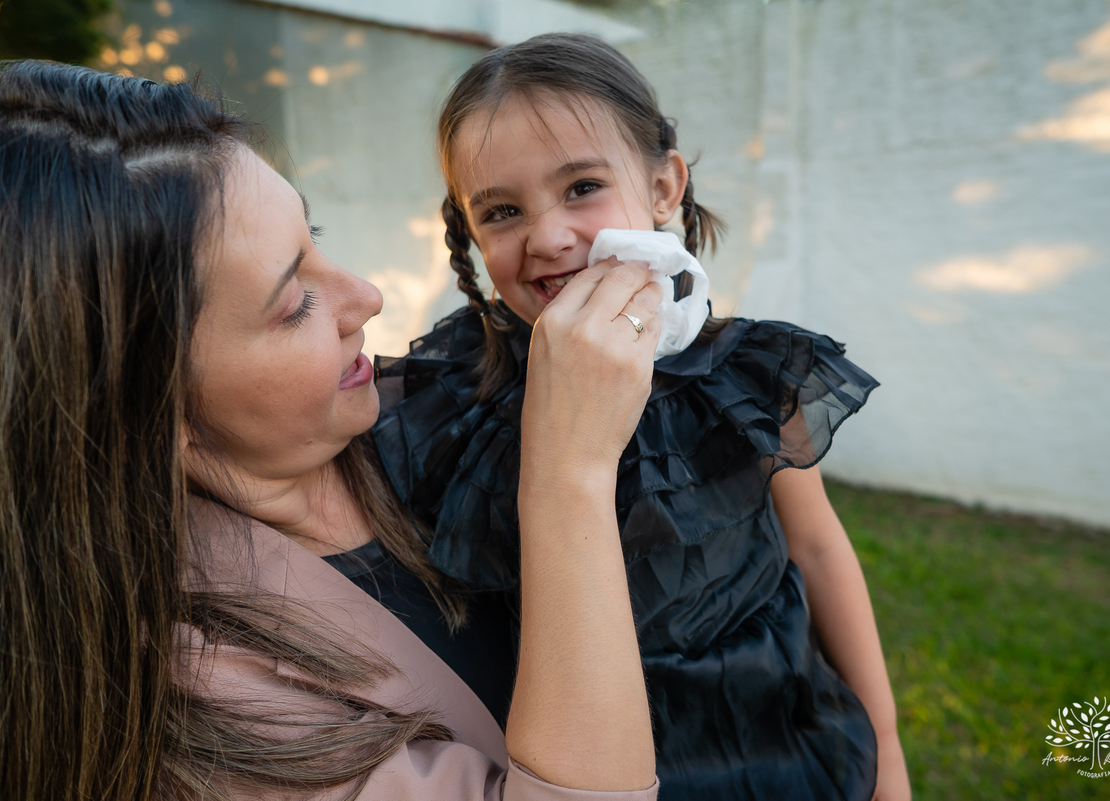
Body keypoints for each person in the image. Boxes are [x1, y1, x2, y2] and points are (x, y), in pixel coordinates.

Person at [0, 60, 665, 801]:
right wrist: (567, 470)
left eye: (313, 236)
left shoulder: (432, 422)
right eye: (292, 304)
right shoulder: (188, 698)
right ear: (151, 417)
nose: (367, 297)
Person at [373, 33, 912, 801]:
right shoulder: (453, 402)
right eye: (502, 210)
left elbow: (819, 550)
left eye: (582, 187)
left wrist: (886, 745)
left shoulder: (744, 376)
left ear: (664, 187)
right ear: (466, 227)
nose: (549, 235)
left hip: (779, 739)